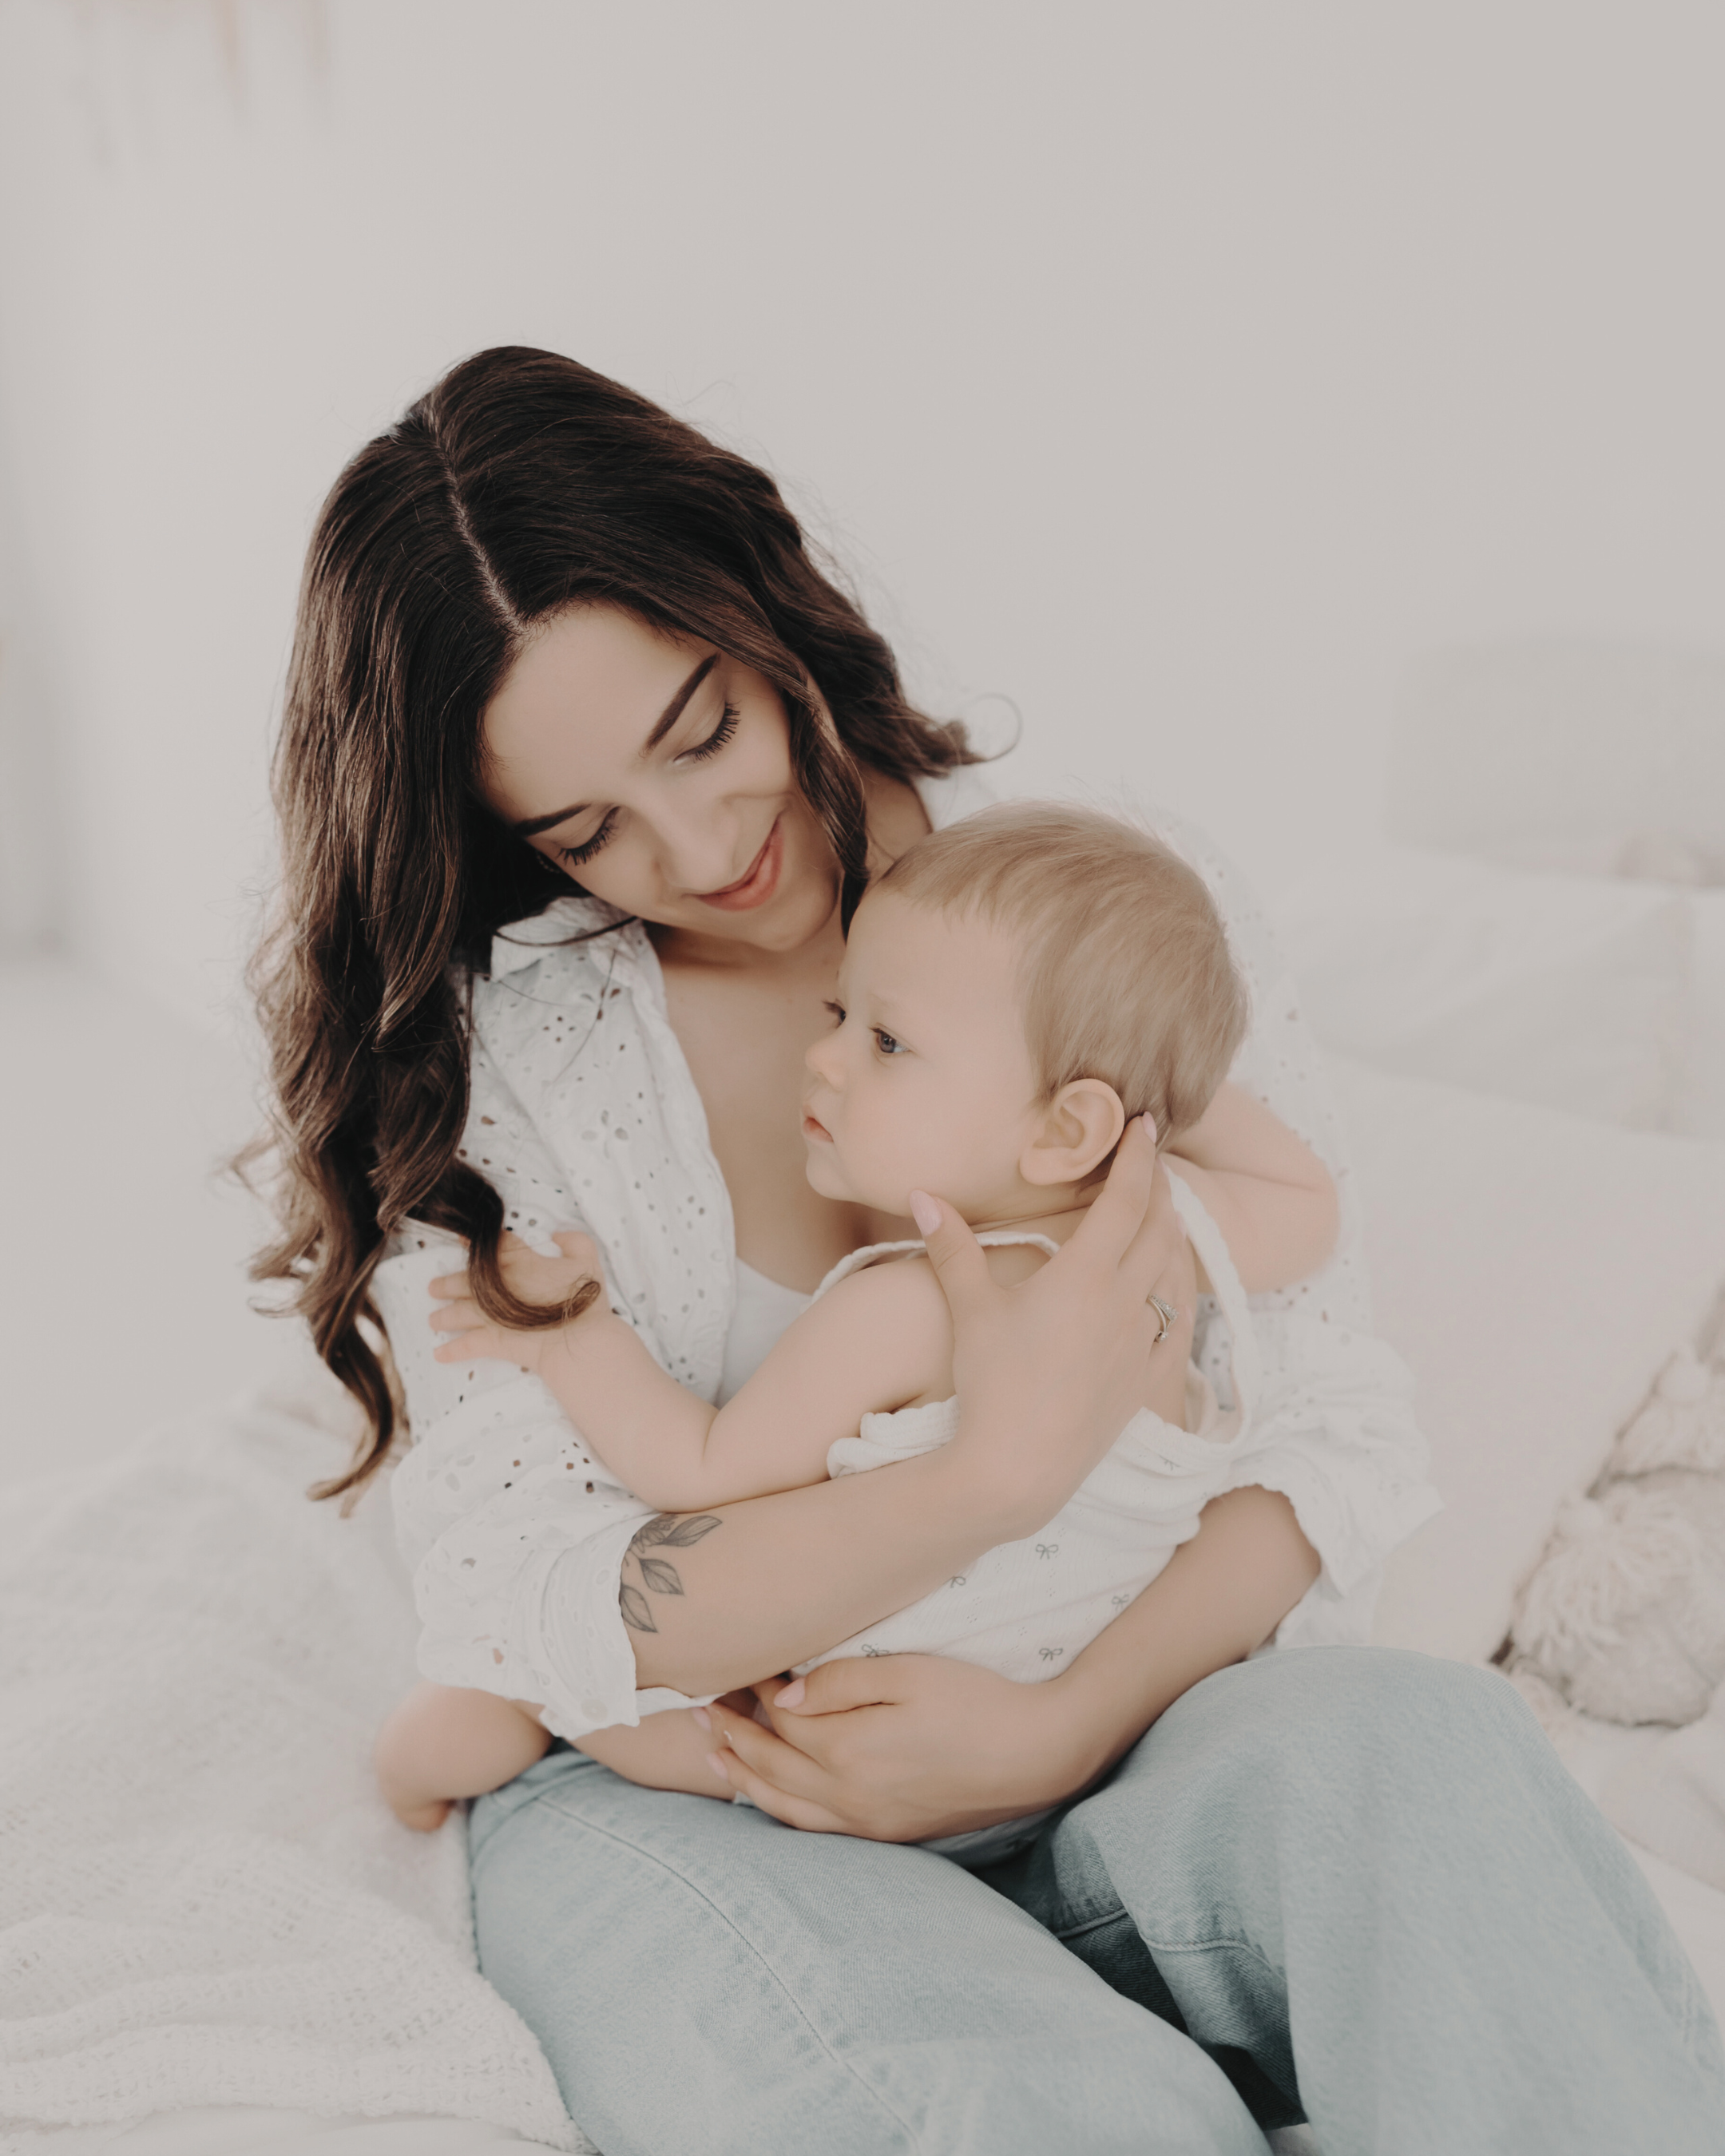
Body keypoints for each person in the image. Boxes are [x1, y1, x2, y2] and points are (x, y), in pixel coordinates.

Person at [254, 344, 1725, 2153]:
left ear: (760, 593)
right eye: (581, 829)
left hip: (1129, 1723)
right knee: (1033, 2114)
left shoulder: (1092, 902)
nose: (700, 844)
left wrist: (1060, 1727)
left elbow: (1325, 1419)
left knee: (1427, 1766)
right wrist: (989, 1481)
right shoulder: (495, 1067)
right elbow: (531, 1603)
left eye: (703, 731)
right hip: (704, 1792)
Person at [372, 802, 1434, 1841]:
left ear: (1072, 1125)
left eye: (886, 1040)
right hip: (1088, 1739)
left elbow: (698, 1472)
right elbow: (1310, 1204)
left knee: (622, 1714)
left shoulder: (909, 1305)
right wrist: (1141, 1071)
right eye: (840, 1012)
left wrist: (573, 1333)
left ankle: (463, 1737)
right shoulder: (1173, 1243)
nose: (823, 1056)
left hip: (851, 1742)